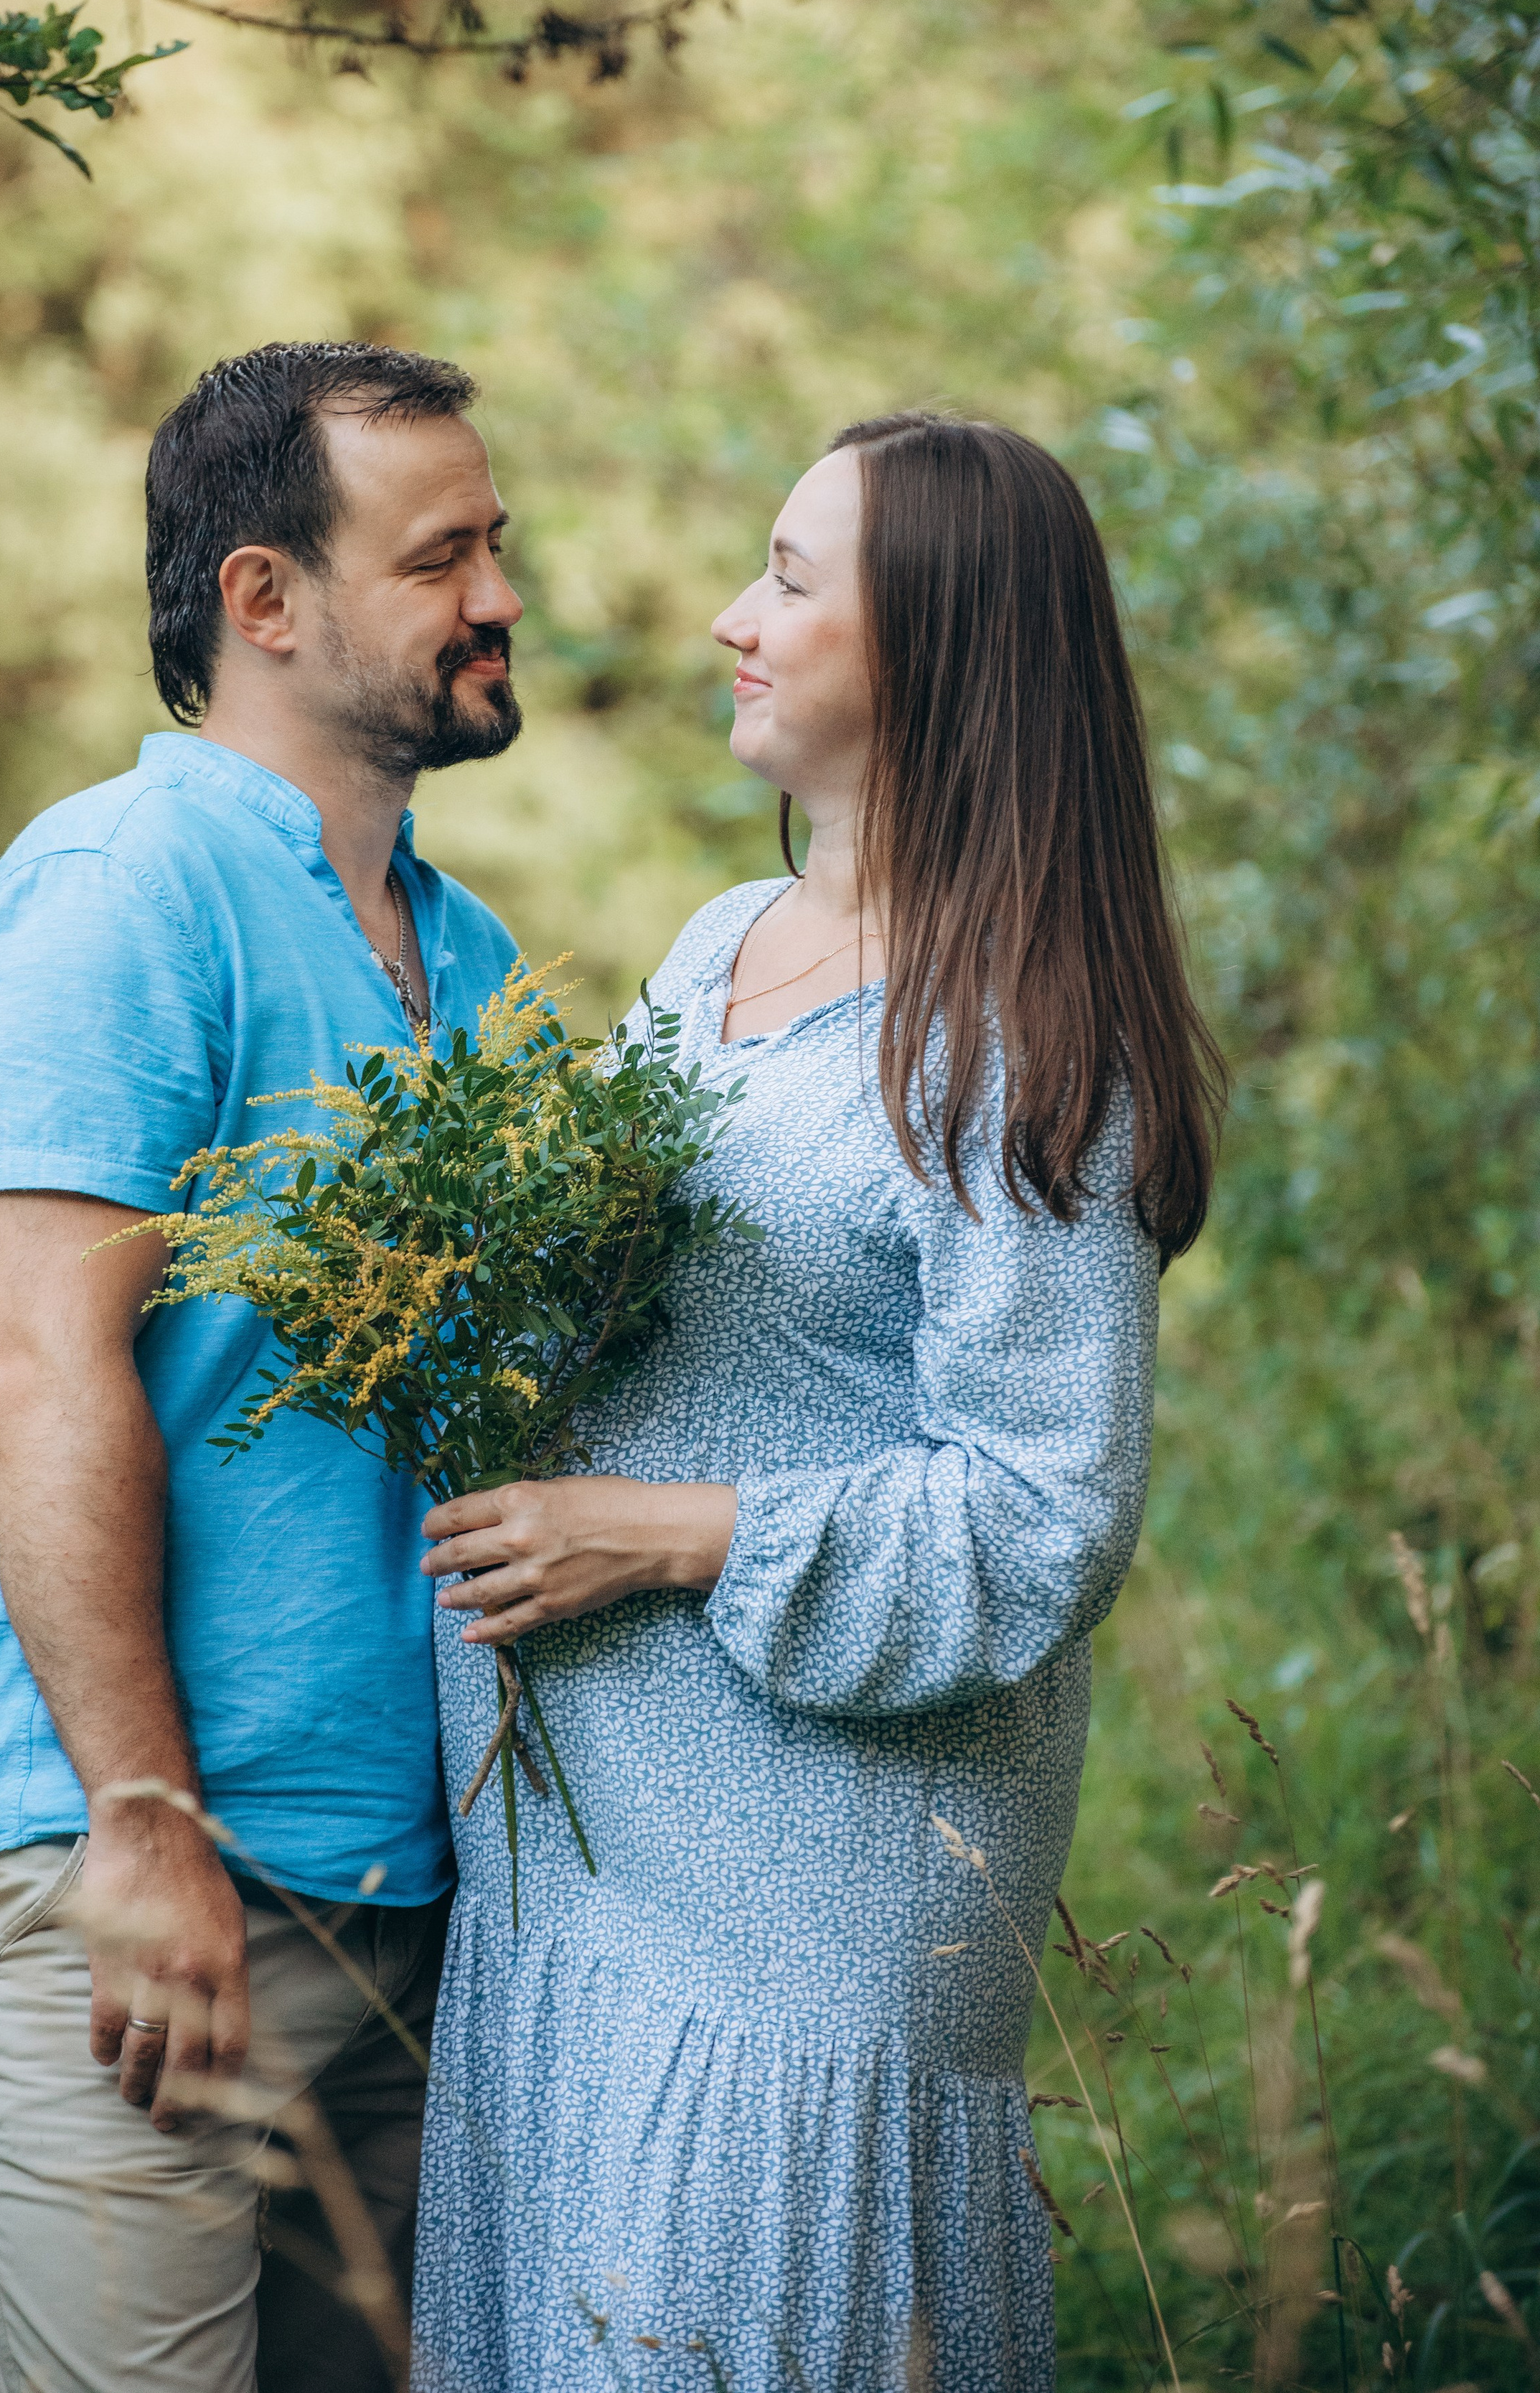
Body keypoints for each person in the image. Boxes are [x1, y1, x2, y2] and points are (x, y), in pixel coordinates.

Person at [410, 411, 1225, 2390]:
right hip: (583, 1872)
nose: (727, 620)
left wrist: (667, 1529)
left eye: (788, 578)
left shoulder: (1023, 1036)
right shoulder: (716, 951)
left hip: (808, 1905)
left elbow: (1047, 1505)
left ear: (942, 646)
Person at [0, 340, 526, 2393]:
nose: (502, 595)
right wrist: (143, 1815)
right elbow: (41, 1365)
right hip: (135, 1889)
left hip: (401, 1896)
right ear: (265, 599)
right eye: (440, 558)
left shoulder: (477, 955)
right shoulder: (117, 896)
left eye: (497, 542)